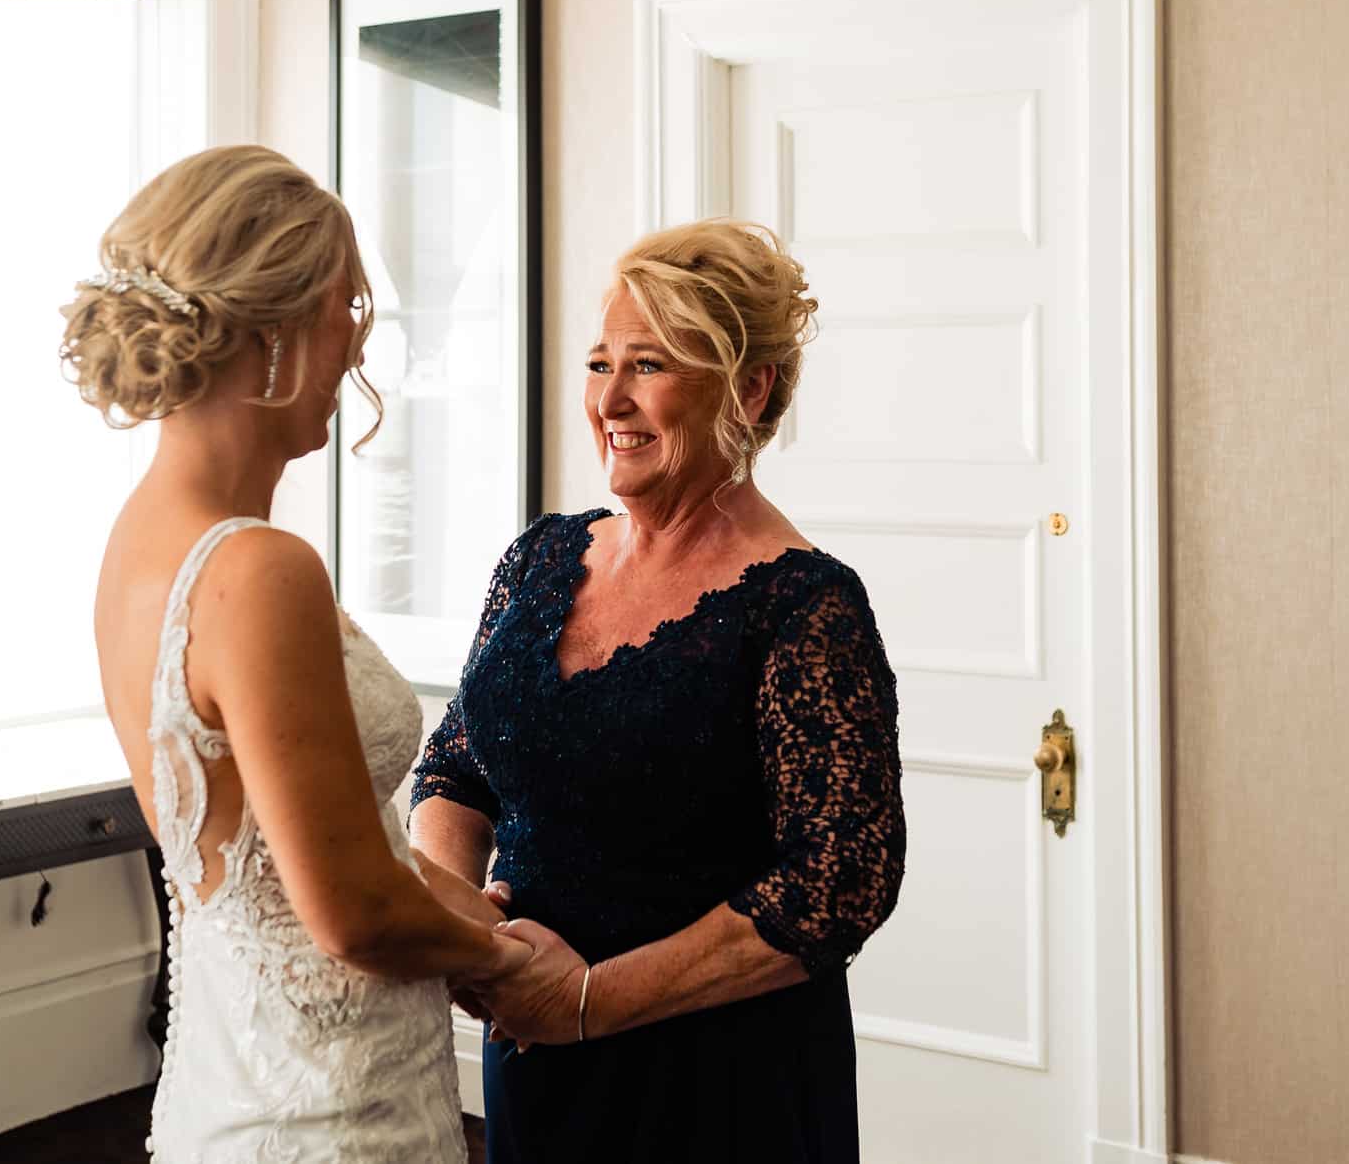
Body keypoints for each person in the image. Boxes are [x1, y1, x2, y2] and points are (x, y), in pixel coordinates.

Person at [67, 144, 531, 1162]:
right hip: (332, 1115)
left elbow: (287, 857)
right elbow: (355, 914)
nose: (353, 355)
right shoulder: (257, 569)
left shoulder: (140, 541)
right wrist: (508, 962)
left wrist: (461, 900)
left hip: (232, 1084)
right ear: (272, 329)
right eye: (343, 314)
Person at [411, 219, 907, 1163]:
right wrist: (460, 912)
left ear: (748, 387)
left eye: (651, 365)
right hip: (535, 1059)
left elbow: (837, 886)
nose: (611, 398)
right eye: (602, 363)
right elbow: (458, 761)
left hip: (718, 1083)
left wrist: (589, 1000)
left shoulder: (805, 605)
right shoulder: (540, 556)